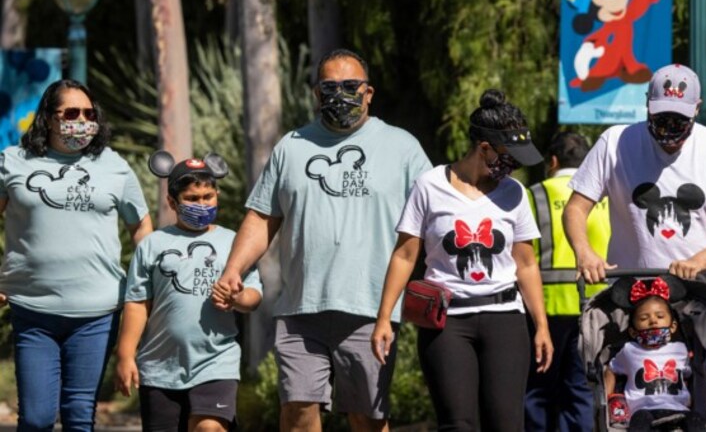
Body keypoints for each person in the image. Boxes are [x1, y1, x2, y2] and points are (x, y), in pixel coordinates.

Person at [214, 48, 431, 431]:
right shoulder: (292, 146)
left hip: (370, 308)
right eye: (330, 86)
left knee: (367, 418)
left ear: (369, 93)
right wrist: (234, 268)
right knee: (297, 411)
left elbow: (434, 216)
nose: (340, 94)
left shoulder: (403, 147)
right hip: (301, 308)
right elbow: (263, 215)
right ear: (316, 93)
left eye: (351, 86)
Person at [371, 89, 554, 431]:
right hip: (446, 322)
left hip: (505, 319)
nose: (513, 166)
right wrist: (384, 318)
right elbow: (405, 254)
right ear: (484, 148)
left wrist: (541, 325)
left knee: (506, 423)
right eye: (509, 157)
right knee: (458, 424)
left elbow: (526, 263)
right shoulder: (429, 186)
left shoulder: (514, 193)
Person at [0, 79, 152, 431]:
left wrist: (144, 284)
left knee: (79, 415)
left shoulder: (114, 166)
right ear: (49, 118)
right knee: (36, 419)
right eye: (71, 113)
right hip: (33, 310)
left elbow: (141, 226)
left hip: (97, 313)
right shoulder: (13, 162)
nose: (82, 121)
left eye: (89, 113)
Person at [563, 64, 706, 292]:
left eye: (679, 117)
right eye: (662, 114)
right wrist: (584, 252)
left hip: (694, 297)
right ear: (647, 103)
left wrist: (697, 262)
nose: (669, 125)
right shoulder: (614, 142)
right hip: (629, 296)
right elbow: (575, 208)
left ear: (697, 108)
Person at [115, 151, 262, 432]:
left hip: (216, 361)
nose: (202, 204)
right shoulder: (153, 245)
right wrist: (125, 354)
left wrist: (238, 298)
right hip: (159, 368)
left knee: (210, 428)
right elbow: (137, 302)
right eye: (192, 199)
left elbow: (254, 295)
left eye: (208, 197)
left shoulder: (234, 242)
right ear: (172, 202)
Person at [525, 130, 611, 431]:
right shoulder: (606, 197)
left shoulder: (534, 194)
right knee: (582, 390)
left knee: (538, 392)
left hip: (545, 311)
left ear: (552, 160)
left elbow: (523, 258)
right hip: (597, 308)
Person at [604, 276, 705, 432]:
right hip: (643, 409)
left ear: (673, 327)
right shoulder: (629, 350)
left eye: (660, 316)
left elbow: (686, 376)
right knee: (639, 422)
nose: (653, 321)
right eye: (644, 318)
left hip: (678, 408)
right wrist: (607, 399)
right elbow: (611, 369)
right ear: (632, 331)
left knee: (696, 420)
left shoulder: (680, 349)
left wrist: (689, 397)